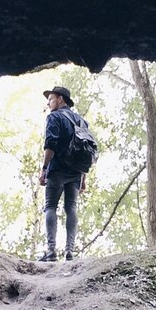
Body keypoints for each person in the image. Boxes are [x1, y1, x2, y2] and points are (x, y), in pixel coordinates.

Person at [38, 85, 88, 262]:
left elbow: (50, 144)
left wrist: (44, 168)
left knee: (50, 206)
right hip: (75, 172)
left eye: (51, 98)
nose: (48, 102)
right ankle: (69, 251)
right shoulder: (81, 121)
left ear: (60, 99)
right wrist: (83, 176)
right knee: (71, 208)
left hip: (58, 168)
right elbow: (86, 150)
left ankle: (51, 251)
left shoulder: (54, 116)